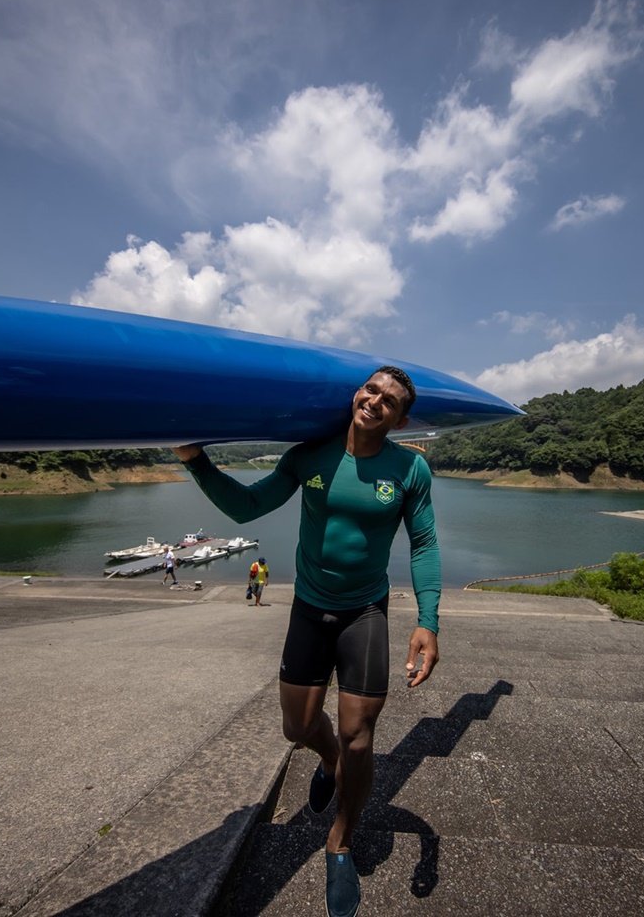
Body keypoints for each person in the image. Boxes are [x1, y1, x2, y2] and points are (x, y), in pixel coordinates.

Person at [173, 365, 440, 917]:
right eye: (370, 390)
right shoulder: (309, 454)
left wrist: (428, 620)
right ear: (355, 393)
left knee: (361, 739)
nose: (375, 401)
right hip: (310, 608)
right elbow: (247, 507)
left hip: (365, 610)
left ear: (401, 417)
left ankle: (339, 842)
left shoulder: (410, 467)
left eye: (389, 400)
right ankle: (326, 760)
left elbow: (424, 545)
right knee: (298, 728)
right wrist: (195, 460)